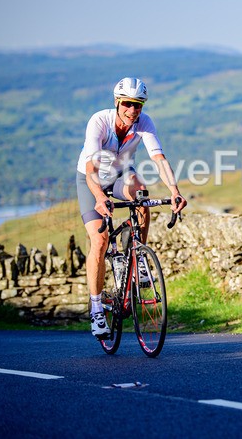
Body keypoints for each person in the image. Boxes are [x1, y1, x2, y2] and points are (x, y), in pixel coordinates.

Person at [76, 77, 187, 339]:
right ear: (117, 102)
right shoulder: (99, 121)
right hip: (89, 178)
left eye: (138, 105)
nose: (132, 110)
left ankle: (136, 261)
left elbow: (158, 158)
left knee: (142, 197)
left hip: (120, 174)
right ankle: (95, 309)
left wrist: (174, 191)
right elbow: (91, 168)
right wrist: (99, 198)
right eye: (127, 104)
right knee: (100, 241)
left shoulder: (144, 123)